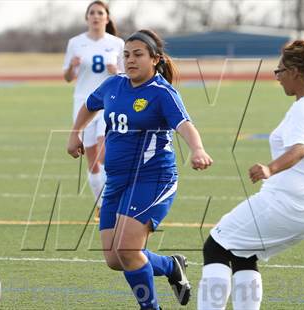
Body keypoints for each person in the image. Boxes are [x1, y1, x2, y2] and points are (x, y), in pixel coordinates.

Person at [197, 37, 304, 310]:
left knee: (216, 246)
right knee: (244, 252)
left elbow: (300, 148)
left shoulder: (303, 108)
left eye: (279, 72)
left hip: (285, 203)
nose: (277, 78)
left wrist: (271, 168)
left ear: (294, 72)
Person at [67, 29, 213, 309]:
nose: (130, 60)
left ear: (155, 59)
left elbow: (185, 125)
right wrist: (75, 133)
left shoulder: (162, 93)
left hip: (153, 178)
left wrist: (198, 149)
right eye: (126, 55)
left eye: (138, 55)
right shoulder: (114, 85)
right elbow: (88, 105)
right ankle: (171, 266)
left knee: (127, 250)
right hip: (118, 181)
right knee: (114, 258)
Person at [63, 0, 124, 220]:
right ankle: (101, 205)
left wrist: (115, 70)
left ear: (107, 18)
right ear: (86, 17)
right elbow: (68, 77)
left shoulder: (117, 43)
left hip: (110, 103)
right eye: (92, 12)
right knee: (92, 162)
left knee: (105, 155)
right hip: (84, 105)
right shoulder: (75, 43)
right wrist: (72, 66)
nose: (96, 16)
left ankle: (110, 203)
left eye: (100, 13)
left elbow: (127, 77)